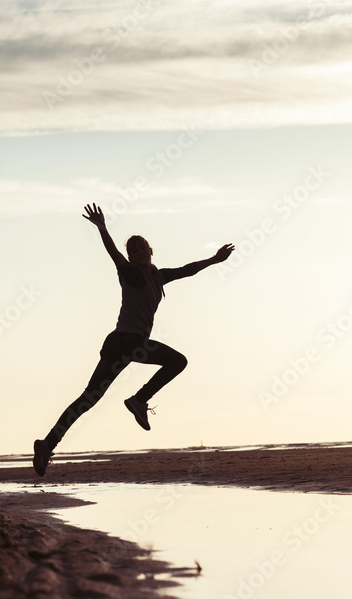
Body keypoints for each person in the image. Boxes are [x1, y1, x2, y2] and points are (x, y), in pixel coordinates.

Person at [33, 203, 234, 476]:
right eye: (134, 251)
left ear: (151, 251)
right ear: (131, 257)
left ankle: (48, 444)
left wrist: (214, 259)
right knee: (178, 361)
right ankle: (139, 400)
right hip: (128, 342)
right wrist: (103, 229)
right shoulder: (131, 273)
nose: (139, 253)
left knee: (89, 398)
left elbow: (188, 269)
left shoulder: (158, 276)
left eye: (143, 249)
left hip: (121, 345)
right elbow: (114, 255)